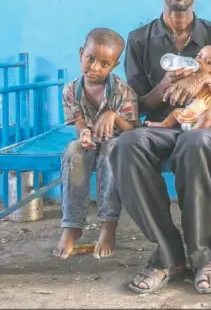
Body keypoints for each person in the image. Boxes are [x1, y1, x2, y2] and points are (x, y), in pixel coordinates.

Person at [109, 0, 211, 295]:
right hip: (162, 124)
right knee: (126, 145)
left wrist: (199, 81)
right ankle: (168, 253)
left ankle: (201, 253)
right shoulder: (139, 39)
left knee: (194, 143)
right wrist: (164, 86)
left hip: (207, 123)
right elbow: (136, 105)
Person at [54, 28, 139, 260]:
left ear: (114, 65)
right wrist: (83, 134)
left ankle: (108, 225)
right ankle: (72, 226)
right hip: (90, 141)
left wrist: (113, 114)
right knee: (73, 151)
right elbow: (79, 122)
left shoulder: (122, 91)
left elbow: (133, 129)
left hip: (116, 140)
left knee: (111, 150)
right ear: (82, 53)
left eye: (104, 64)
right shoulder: (71, 90)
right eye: (90, 59)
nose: (94, 68)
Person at [144, 45, 211, 131]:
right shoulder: (191, 74)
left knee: (209, 115)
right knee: (175, 113)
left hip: (209, 112)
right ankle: (164, 124)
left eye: (208, 62)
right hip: (192, 112)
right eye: (199, 56)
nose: (199, 61)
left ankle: (193, 133)